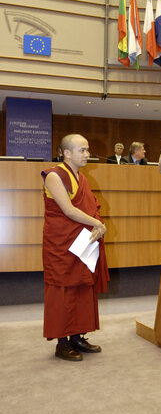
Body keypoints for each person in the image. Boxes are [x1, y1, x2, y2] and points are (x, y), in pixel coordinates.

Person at [41, 134, 109, 362]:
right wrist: (97, 224)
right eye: (82, 150)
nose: (87, 154)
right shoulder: (54, 175)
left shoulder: (82, 178)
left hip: (82, 242)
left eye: (88, 150)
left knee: (82, 288)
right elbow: (69, 210)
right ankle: (62, 343)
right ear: (66, 153)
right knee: (63, 291)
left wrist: (98, 225)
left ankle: (77, 337)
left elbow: (91, 207)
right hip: (61, 244)